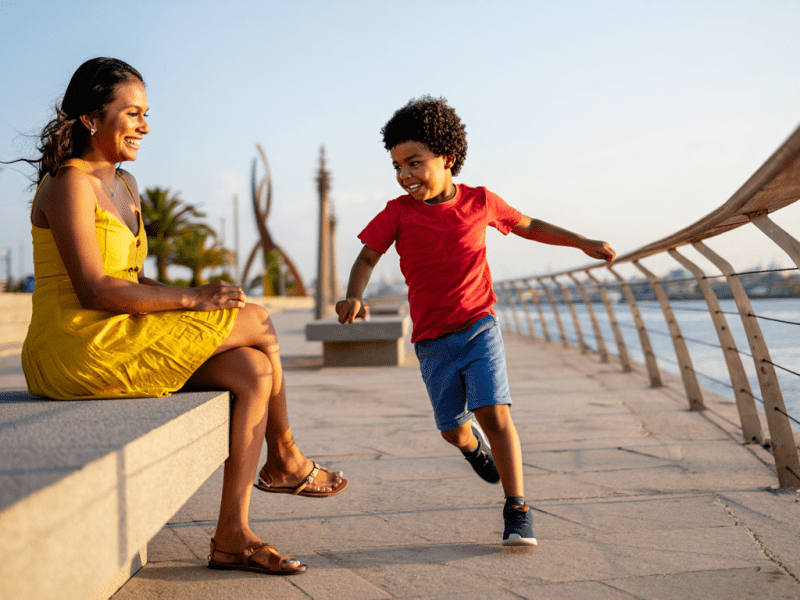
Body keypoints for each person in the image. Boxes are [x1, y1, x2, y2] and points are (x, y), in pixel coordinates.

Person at [18, 57, 346, 576]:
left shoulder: (125, 185)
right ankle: (285, 457)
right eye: (132, 113)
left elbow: (132, 278)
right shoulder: (68, 184)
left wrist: (196, 297)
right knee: (258, 319)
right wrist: (194, 299)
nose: (145, 126)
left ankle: (231, 535)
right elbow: (95, 288)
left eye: (146, 114)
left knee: (254, 370)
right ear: (91, 118)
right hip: (75, 345)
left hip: (116, 332)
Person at [336, 96, 615, 547]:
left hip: (479, 326)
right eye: (397, 166)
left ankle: (517, 508)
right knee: (452, 429)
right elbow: (367, 257)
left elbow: (529, 225)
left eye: (414, 162)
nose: (404, 174)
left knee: (494, 412)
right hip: (431, 339)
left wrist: (581, 242)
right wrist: (354, 295)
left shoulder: (480, 201)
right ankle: (470, 446)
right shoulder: (397, 213)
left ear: (447, 158)